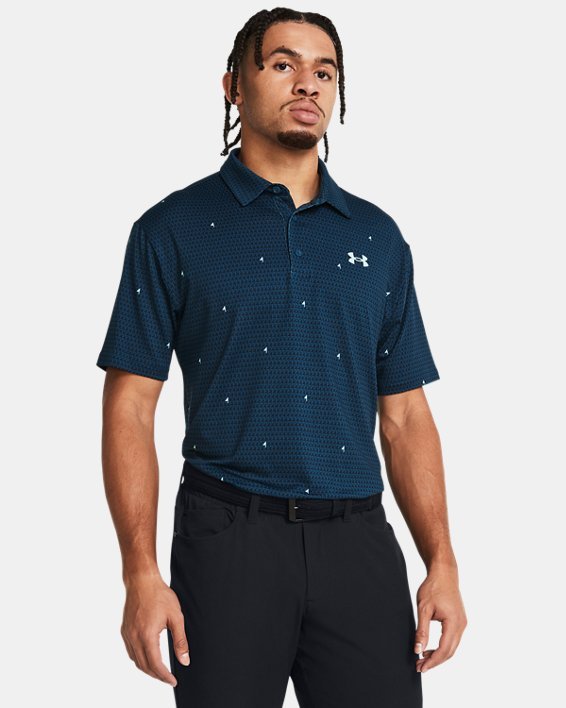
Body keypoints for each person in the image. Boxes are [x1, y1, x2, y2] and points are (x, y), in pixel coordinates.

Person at [96, 7, 467, 707]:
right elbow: (130, 406)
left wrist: (441, 561)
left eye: (324, 71)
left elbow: (407, 417)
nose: (307, 84)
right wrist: (139, 574)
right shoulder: (171, 230)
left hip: (358, 540)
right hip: (226, 540)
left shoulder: (378, 238)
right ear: (234, 85)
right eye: (283, 64)